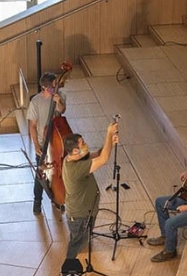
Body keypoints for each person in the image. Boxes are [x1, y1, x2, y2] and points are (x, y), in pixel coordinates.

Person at [61, 121, 118, 261]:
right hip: (80, 216)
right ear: (75, 150)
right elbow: (103, 159)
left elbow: (98, 154)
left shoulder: (74, 158)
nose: (85, 144)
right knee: (77, 244)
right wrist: (109, 133)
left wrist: (110, 142)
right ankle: (70, 269)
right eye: (82, 143)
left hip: (87, 211)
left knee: (84, 240)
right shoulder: (75, 169)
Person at [26, 72, 67, 214]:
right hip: (43, 143)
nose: (55, 88)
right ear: (44, 87)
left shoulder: (59, 96)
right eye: (52, 87)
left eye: (56, 85)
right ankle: (37, 201)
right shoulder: (35, 102)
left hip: (55, 142)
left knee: (59, 172)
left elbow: (61, 111)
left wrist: (58, 102)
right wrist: (36, 145)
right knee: (40, 174)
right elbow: (32, 125)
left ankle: (57, 198)